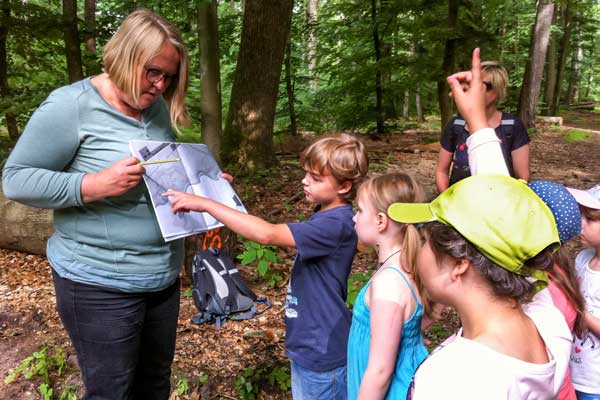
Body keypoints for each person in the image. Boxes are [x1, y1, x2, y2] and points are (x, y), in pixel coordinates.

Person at [3, 10, 191, 400]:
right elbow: (15, 178)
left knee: (154, 385)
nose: (160, 85)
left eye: (169, 77)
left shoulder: (154, 108)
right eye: (152, 72)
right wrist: (93, 184)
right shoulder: (70, 106)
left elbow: (158, 173)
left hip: (161, 278)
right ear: (124, 56)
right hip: (98, 283)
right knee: (111, 391)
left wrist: (200, 184)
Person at [391, 49, 572, 399]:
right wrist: (476, 120)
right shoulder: (547, 323)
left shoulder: (453, 380)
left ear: (460, 265)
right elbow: (504, 221)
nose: (418, 245)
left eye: (428, 239)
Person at [163, 134, 369, 400]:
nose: (305, 181)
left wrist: (206, 203)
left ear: (344, 186)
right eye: (306, 173)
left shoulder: (335, 224)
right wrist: (220, 194)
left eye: (316, 179)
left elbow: (267, 234)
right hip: (309, 344)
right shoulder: (325, 213)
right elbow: (259, 226)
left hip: (323, 350)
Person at [346, 173, 429, 400]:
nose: (354, 218)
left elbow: (380, 372)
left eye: (360, 210)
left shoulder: (389, 284)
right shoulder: (409, 263)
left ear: (381, 221)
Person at [435, 61, 530, 192]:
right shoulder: (456, 124)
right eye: (473, 85)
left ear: (499, 89)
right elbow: (442, 171)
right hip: (459, 202)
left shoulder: (512, 126)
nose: (478, 91)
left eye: (485, 86)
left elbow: (522, 178)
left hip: (499, 201)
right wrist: (446, 201)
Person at [564, 184, 600, 400]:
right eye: (580, 217)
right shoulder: (582, 259)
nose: (580, 226)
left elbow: (577, 307)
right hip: (573, 369)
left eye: (591, 220)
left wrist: (580, 313)